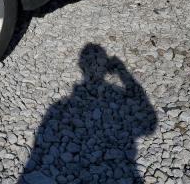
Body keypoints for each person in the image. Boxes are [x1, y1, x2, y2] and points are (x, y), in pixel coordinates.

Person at [21, 43, 157, 183]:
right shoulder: (112, 93)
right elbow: (149, 125)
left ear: (80, 65)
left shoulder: (58, 106)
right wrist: (122, 72)